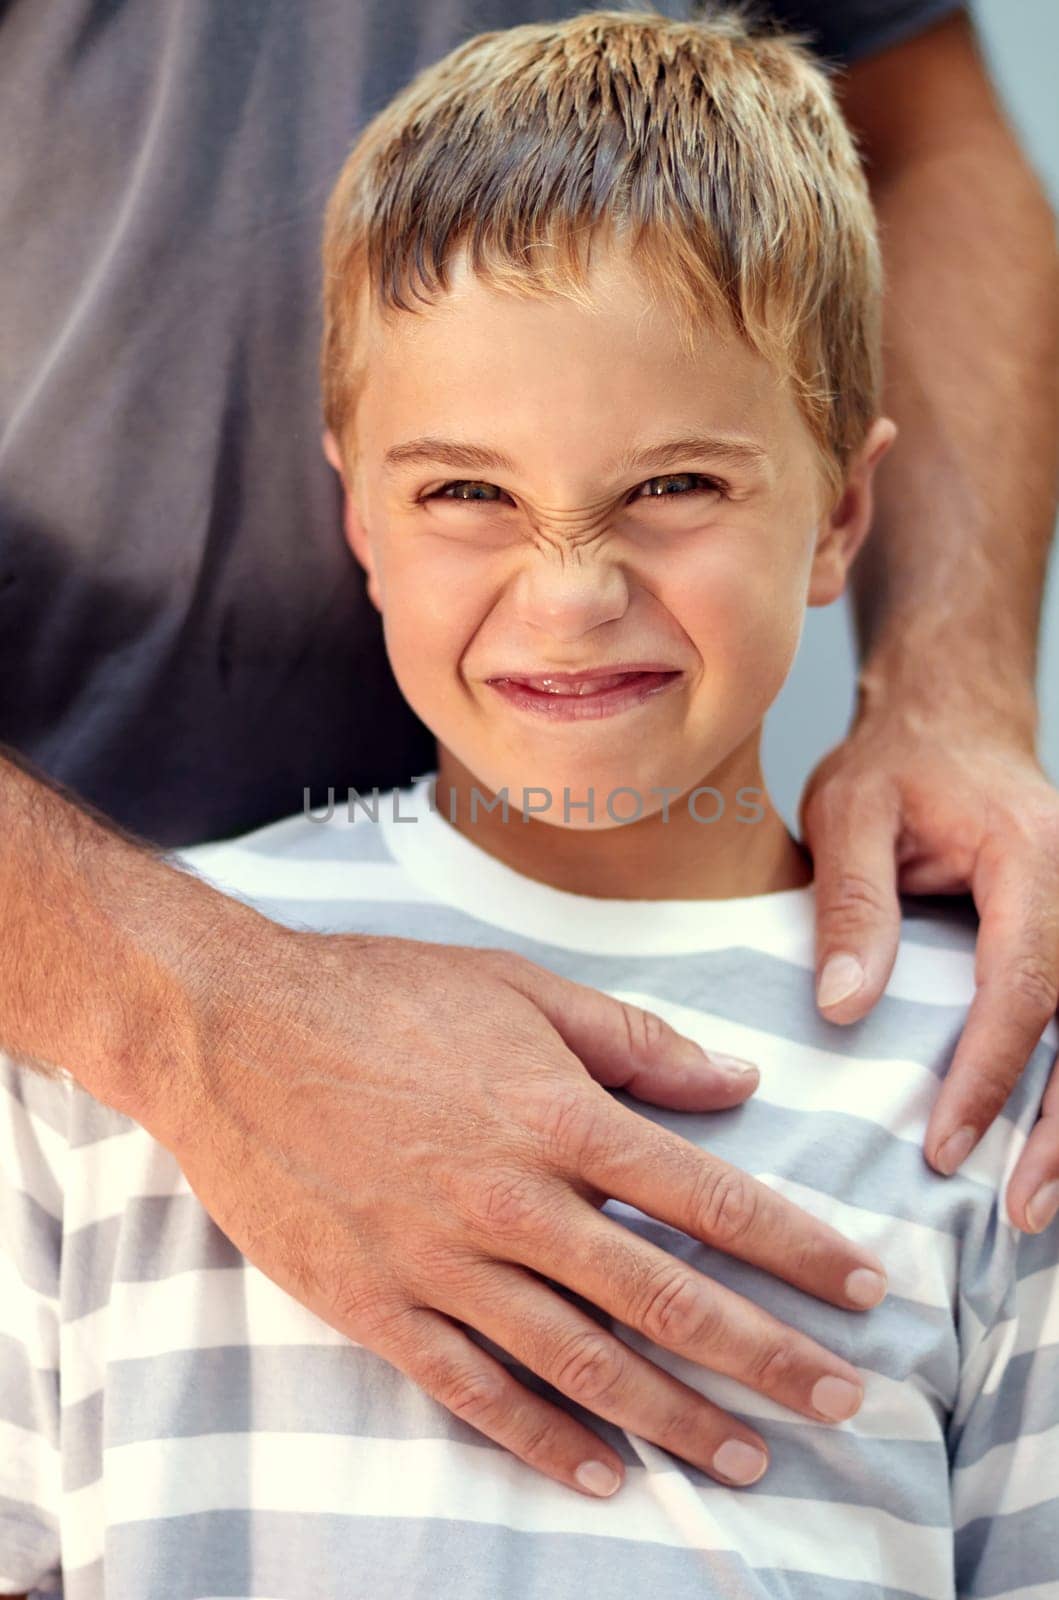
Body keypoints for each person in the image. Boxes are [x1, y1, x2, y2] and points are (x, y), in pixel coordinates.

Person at [3, 9, 1057, 1596]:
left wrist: (969, 695)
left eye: (676, 487)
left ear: (842, 510)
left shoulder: (984, 1076)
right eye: (467, 494)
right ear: (358, 512)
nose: (571, 598)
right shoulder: (80, 1077)